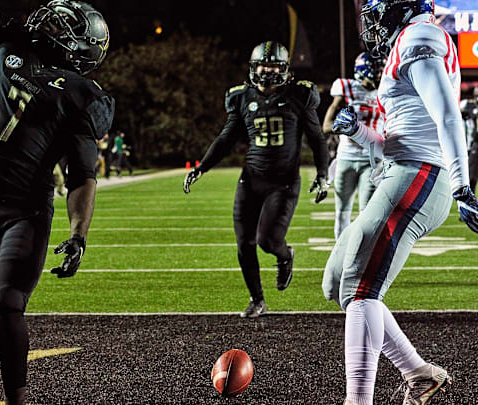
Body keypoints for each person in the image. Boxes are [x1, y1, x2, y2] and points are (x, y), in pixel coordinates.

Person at [0, 1, 113, 405]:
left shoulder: (81, 94)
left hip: (24, 212)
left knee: (7, 304)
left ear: (79, 47)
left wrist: (79, 233)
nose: (49, 22)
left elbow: (82, 173)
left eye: (65, 25)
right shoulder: (5, 45)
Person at [323, 1, 478, 404]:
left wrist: (463, 185)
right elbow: (401, 137)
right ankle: (418, 373)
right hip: (402, 171)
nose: (371, 18)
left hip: (420, 176)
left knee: (360, 289)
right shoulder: (410, 40)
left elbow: (448, 116)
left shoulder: (419, 36)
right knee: (337, 282)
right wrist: (358, 132)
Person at [183, 41, 329, 318]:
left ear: (285, 69)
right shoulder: (241, 97)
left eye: (274, 66)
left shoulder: (300, 95)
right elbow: (226, 138)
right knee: (244, 243)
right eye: (264, 65)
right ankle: (257, 300)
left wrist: (323, 175)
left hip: (284, 182)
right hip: (251, 181)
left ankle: (285, 256)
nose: (268, 70)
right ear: (253, 67)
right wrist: (202, 167)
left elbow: (316, 139)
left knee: (268, 240)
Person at [323, 53, 384, 239]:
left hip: (372, 161)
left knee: (367, 214)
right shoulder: (347, 88)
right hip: (347, 158)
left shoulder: (387, 91)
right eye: (378, 70)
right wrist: (348, 129)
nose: (382, 74)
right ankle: (340, 254)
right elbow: (326, 125)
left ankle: (362, 256)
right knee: (342, 212)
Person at [460, 87, 478, 192]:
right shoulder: (469, 106)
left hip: (474, 141)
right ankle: (469, 194)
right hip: (474, 141)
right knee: (471, 171)